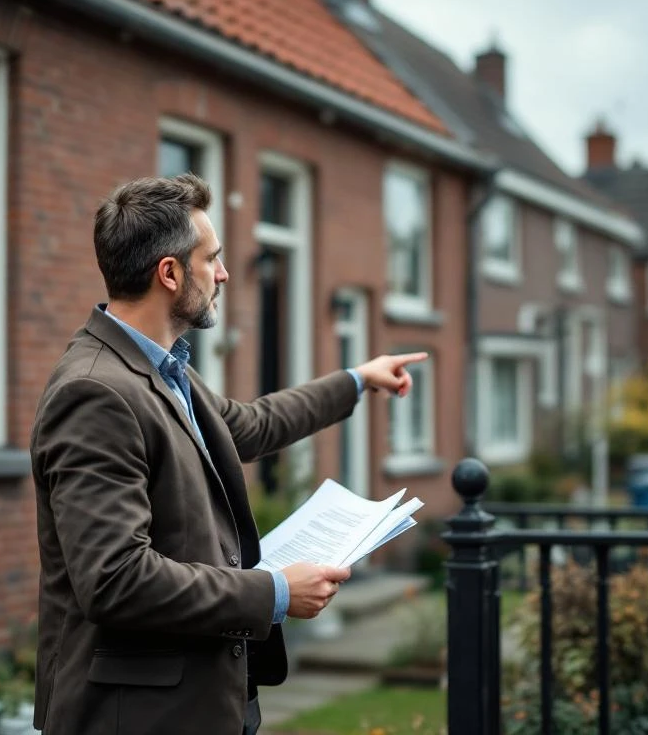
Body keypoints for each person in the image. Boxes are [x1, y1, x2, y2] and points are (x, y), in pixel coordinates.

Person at [30, 173, 427, 735]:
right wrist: (276, 593)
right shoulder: (95, 393)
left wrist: (357, 380)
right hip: (140, 718)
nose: (222, 274)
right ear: (169, 273)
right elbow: (116, 579)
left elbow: (249, 425)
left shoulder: (163, 368)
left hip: (207, 701)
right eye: (211, 258)